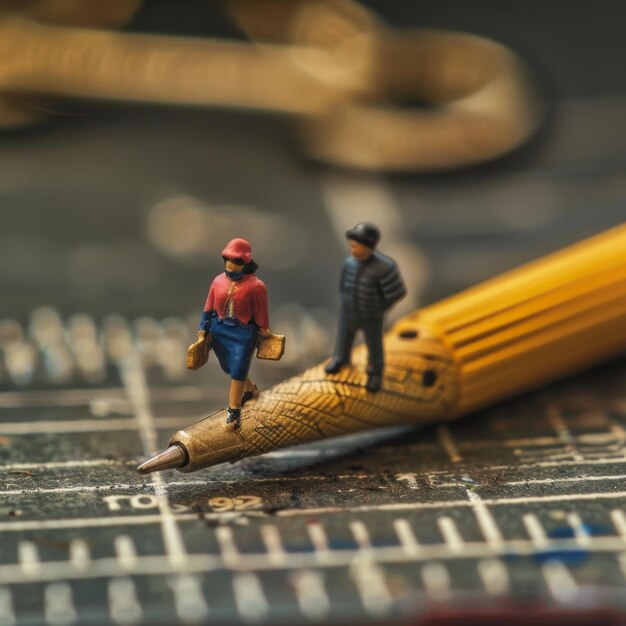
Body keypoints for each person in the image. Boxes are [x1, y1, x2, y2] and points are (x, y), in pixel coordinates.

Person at [198, 238, 271, 428]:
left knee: (238, 369)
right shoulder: (217, 281)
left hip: (243, 334)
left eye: (236, 262)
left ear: (245, 262)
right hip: (220, 329)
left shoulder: (257, 286)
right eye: (227, 261)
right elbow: (208, 307)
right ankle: (250, 388)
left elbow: (261, 311)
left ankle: (234, 411)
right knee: (228, 368)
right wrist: (203, 328)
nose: (230, 267)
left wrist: (264, 329)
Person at [325, 223, 406, 392]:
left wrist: (379, 309)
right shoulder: (349, 263)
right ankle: (341, 358)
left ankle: (375, 373)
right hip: (349, 311)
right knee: (344, 337)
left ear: (369, 245)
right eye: (351, 245)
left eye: (356, 245)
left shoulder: (385, 267)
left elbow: (398, 292)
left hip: (371, 316)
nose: (352, 249)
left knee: (374, 346)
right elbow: (344, 285)